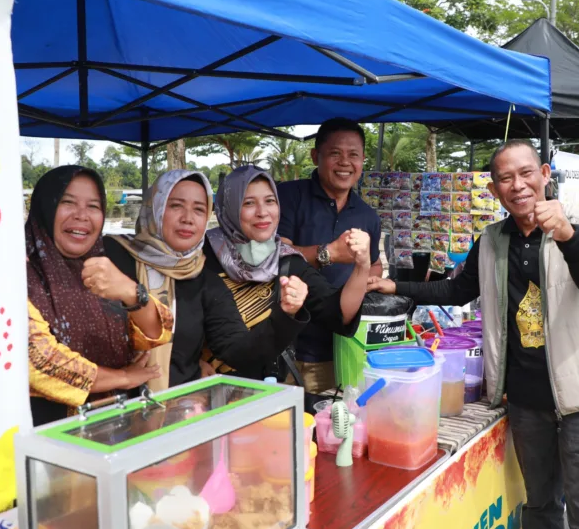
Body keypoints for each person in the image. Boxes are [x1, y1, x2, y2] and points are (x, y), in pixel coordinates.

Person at [369, 140, 579, 529]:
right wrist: (395, 286)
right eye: (506, 178)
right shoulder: (491, 241)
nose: (518, 185)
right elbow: (456, 288)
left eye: (526, 173)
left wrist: (568, 236)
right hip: (528, 401)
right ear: (494, 188)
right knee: (542, 505)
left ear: (544, 173)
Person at [105, 169, 311, 388]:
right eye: (176, 206)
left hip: (179, 410)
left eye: (199, 209)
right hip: (104, 408)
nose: (188, 219)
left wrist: (287, 314)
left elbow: (239, 350)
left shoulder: (203, 279)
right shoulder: (112, 256)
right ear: (155, 207)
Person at [25, 166, 174, 426]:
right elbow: (38, 363)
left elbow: (158, 331)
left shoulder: (105, 265)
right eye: (67, 203)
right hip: (50, 435)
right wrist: (125, 377)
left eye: (93, 206)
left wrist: (130, 291)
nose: (82, 216)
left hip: (116, 427)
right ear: (45, 208)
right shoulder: (20, 274)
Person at [202, 165, 371, 380]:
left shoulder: (286, 261)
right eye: (248, 203)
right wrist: (191, 362)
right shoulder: (204, 256)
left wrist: (362, 265)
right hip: (209, 392)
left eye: (270, 201)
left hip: (270, 390)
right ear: (229, 207)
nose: (262, 212)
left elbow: (339, 313)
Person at [277, 118, 383, 393]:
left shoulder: (367, 215)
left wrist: (368, 279)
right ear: (316, 156)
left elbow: (374, 264)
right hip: (289, 347)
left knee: (337, 426)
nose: (345, 162)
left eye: (354, 155)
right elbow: (276, 257)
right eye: (335, 153)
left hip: (345, 347)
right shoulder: (287, 196)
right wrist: (329, 253)